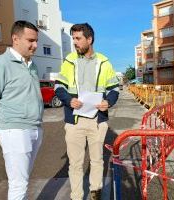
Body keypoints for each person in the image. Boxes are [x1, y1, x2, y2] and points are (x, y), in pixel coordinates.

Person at [0, 20, 43, 200]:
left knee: (23, 179)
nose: (35, 45)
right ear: (15, 39)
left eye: (36, 40)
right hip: (15, 130)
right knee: (18, 184)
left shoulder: (32, 65)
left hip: (34, 128)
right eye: (31, 40)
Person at [55, 23, 119, 200]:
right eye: (73, 38)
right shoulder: (69, 61)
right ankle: (76, 197)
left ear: (89, 39)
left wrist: (108, 102)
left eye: (78, 38)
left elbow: (114, 89)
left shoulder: (104, 62)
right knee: (75, 163)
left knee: (97, 160)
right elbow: (59, 87)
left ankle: (95, 193)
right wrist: (69, 100)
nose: (75, 42)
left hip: (97, 121)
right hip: (74, 121)